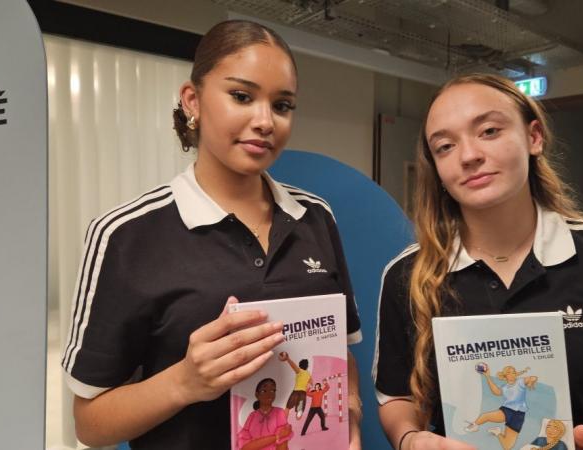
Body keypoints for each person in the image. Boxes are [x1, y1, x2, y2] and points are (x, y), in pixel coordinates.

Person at [61, 20, 363, 450]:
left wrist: (348, 417)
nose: (265, 121)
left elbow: (338, 354)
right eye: (242, 96)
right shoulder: (126, 234)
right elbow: (90, 424)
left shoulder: (315, 217)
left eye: (282, 105)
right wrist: (184, 382)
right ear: (192, 100)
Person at [373, 73, 583, 450]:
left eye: (489, 131)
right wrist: (411, 440)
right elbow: (398, 399)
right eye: (445, 146)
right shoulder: (407, 274)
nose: (469, 156)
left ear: (534, 137)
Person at [464, 365, 537, 450]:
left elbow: (533, 378)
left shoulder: (520, 382)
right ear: (505, 375)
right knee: (485, 416)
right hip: (507, 410)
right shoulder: (504, 387)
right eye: (509, 372)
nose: (512, 374)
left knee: (507, 446)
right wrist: (487, 376)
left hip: (519, 415)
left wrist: (531, 381)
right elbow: (496, 391)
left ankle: (497, 432)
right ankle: (474, 426)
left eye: (514, 372)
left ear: (516, 374)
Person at [237, 378, 292, 450]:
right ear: (257, 395)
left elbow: (283, 444)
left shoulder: (279, 413)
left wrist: (257, 443)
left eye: (273, 390)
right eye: (264, 391)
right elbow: (245, 447)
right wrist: (276, 437)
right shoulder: (252, 416)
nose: (269, 394)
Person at [278, 352, 312, 420]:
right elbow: (311, 384)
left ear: (300, 365)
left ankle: (284, 422)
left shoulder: (299, 371)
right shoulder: (308, 374)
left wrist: (288, 359)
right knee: (299, 413)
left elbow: (293, 365)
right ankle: (299, 413)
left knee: (287, 408)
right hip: (303, 393)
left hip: (296, 392)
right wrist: (307, 388)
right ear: (307, 366)